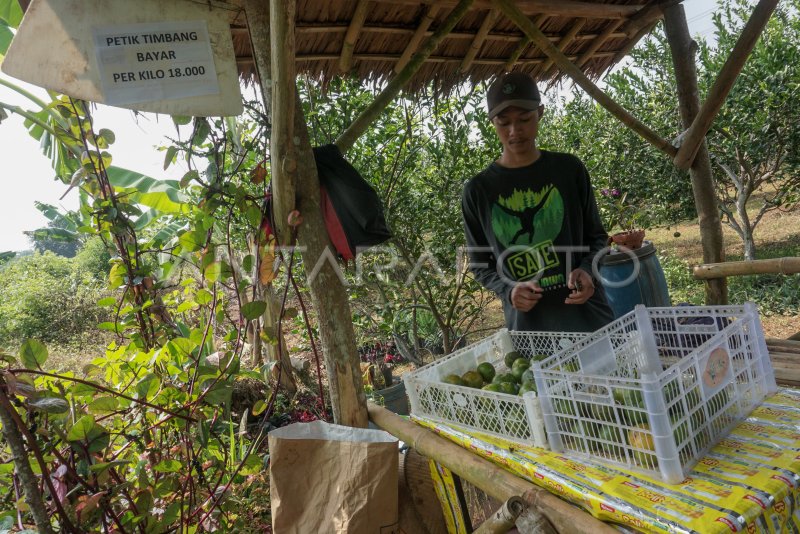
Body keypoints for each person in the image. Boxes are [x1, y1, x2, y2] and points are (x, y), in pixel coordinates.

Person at [461, 72, 614, 332]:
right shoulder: (478, 191)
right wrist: (508, 290)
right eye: (503, 122)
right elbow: (480, 264)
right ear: (492, 122)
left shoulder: (568, 170)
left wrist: (588, 270)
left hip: (590, 320)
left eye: (524, 119)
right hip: (531, 331)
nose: (514, 131)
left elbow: (598, 237)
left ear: (540, 113)